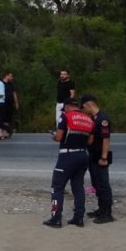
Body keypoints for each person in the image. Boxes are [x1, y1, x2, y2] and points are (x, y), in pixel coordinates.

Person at [43, 98, 94, 228]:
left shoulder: (65, 117)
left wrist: (54, 136)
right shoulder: (89, 119)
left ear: (67, 106)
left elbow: (59, 137)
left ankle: (56, 218)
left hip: (67, 156)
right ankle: (78, 218)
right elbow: (90, 142)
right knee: (78, 187)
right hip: (83, 155)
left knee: (57, 187)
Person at [81, 94, 114, 224]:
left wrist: (104, 157)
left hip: (101, 156)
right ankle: (101, 209)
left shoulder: (102, 119)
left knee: (103, 184)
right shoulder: (94, 118)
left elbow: (106, 139)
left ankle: (107, 213)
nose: (84, 110)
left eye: (84, 107)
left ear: (89, 105)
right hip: (93, 155)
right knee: (96, 184)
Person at [1, 71, 19, 139]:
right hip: (3, 103)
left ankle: (6, 133)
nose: (12, 78)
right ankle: (1, 133)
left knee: (8, 118)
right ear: (6, 76)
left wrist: (16, 103)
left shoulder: (11, 84)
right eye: (11, 76)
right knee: (2, 118)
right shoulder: (1, 83)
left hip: (10, 104)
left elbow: (14, 93)